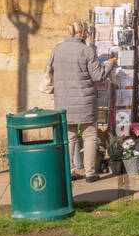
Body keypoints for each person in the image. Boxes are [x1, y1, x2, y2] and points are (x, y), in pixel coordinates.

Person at [47, 21, 117, 182]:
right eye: (86, 32)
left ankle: (69, 171)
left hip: (64, 102)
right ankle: (90, 173)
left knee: (69, 137)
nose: (87, 34)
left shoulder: (57, 50)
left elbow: (49, 71)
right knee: (90, 135)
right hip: (85, 102)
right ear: (82, 32)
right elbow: (98, 76)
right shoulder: (86, 51)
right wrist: (110, 64)